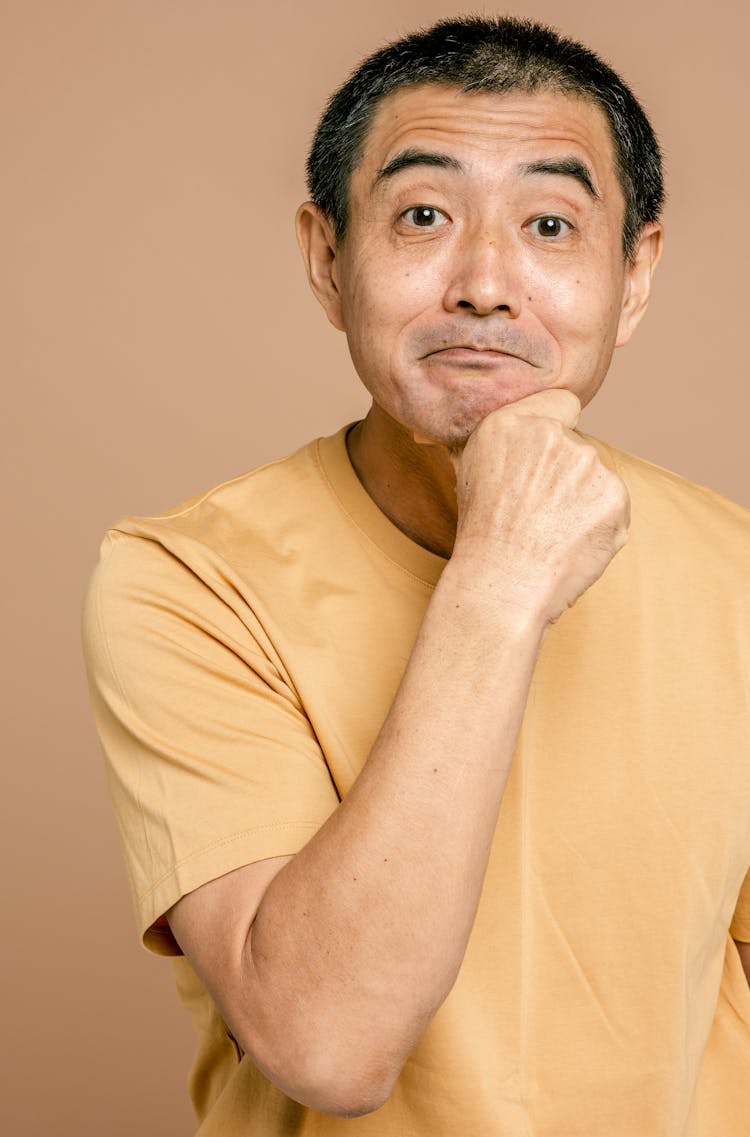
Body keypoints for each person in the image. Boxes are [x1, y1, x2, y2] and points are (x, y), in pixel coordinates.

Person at [83, 15, 750, 1136]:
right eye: (425, 216)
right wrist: (501, 575)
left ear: (633, 278)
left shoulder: (739, 571)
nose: (487, 284)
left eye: (550, 223)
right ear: (328, 258)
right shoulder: (185, 581)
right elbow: (328, 1047)